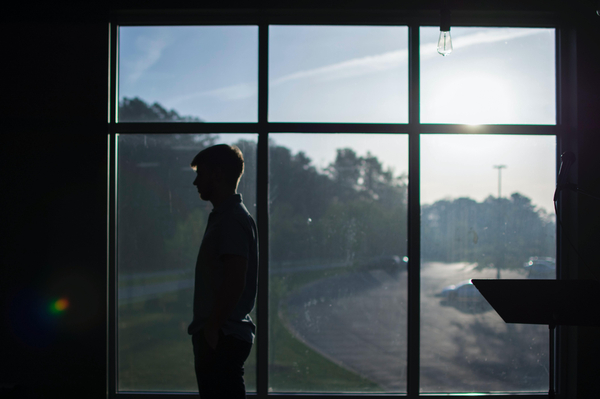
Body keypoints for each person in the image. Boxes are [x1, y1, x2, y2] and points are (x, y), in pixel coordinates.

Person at [187, 144, 258, 398]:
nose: (196, 182)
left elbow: (235, 279)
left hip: (222, 337)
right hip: (222, 335)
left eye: (201, 174)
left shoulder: (232, 219)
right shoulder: (226, 217)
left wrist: (212, 329)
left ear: (217, 174)